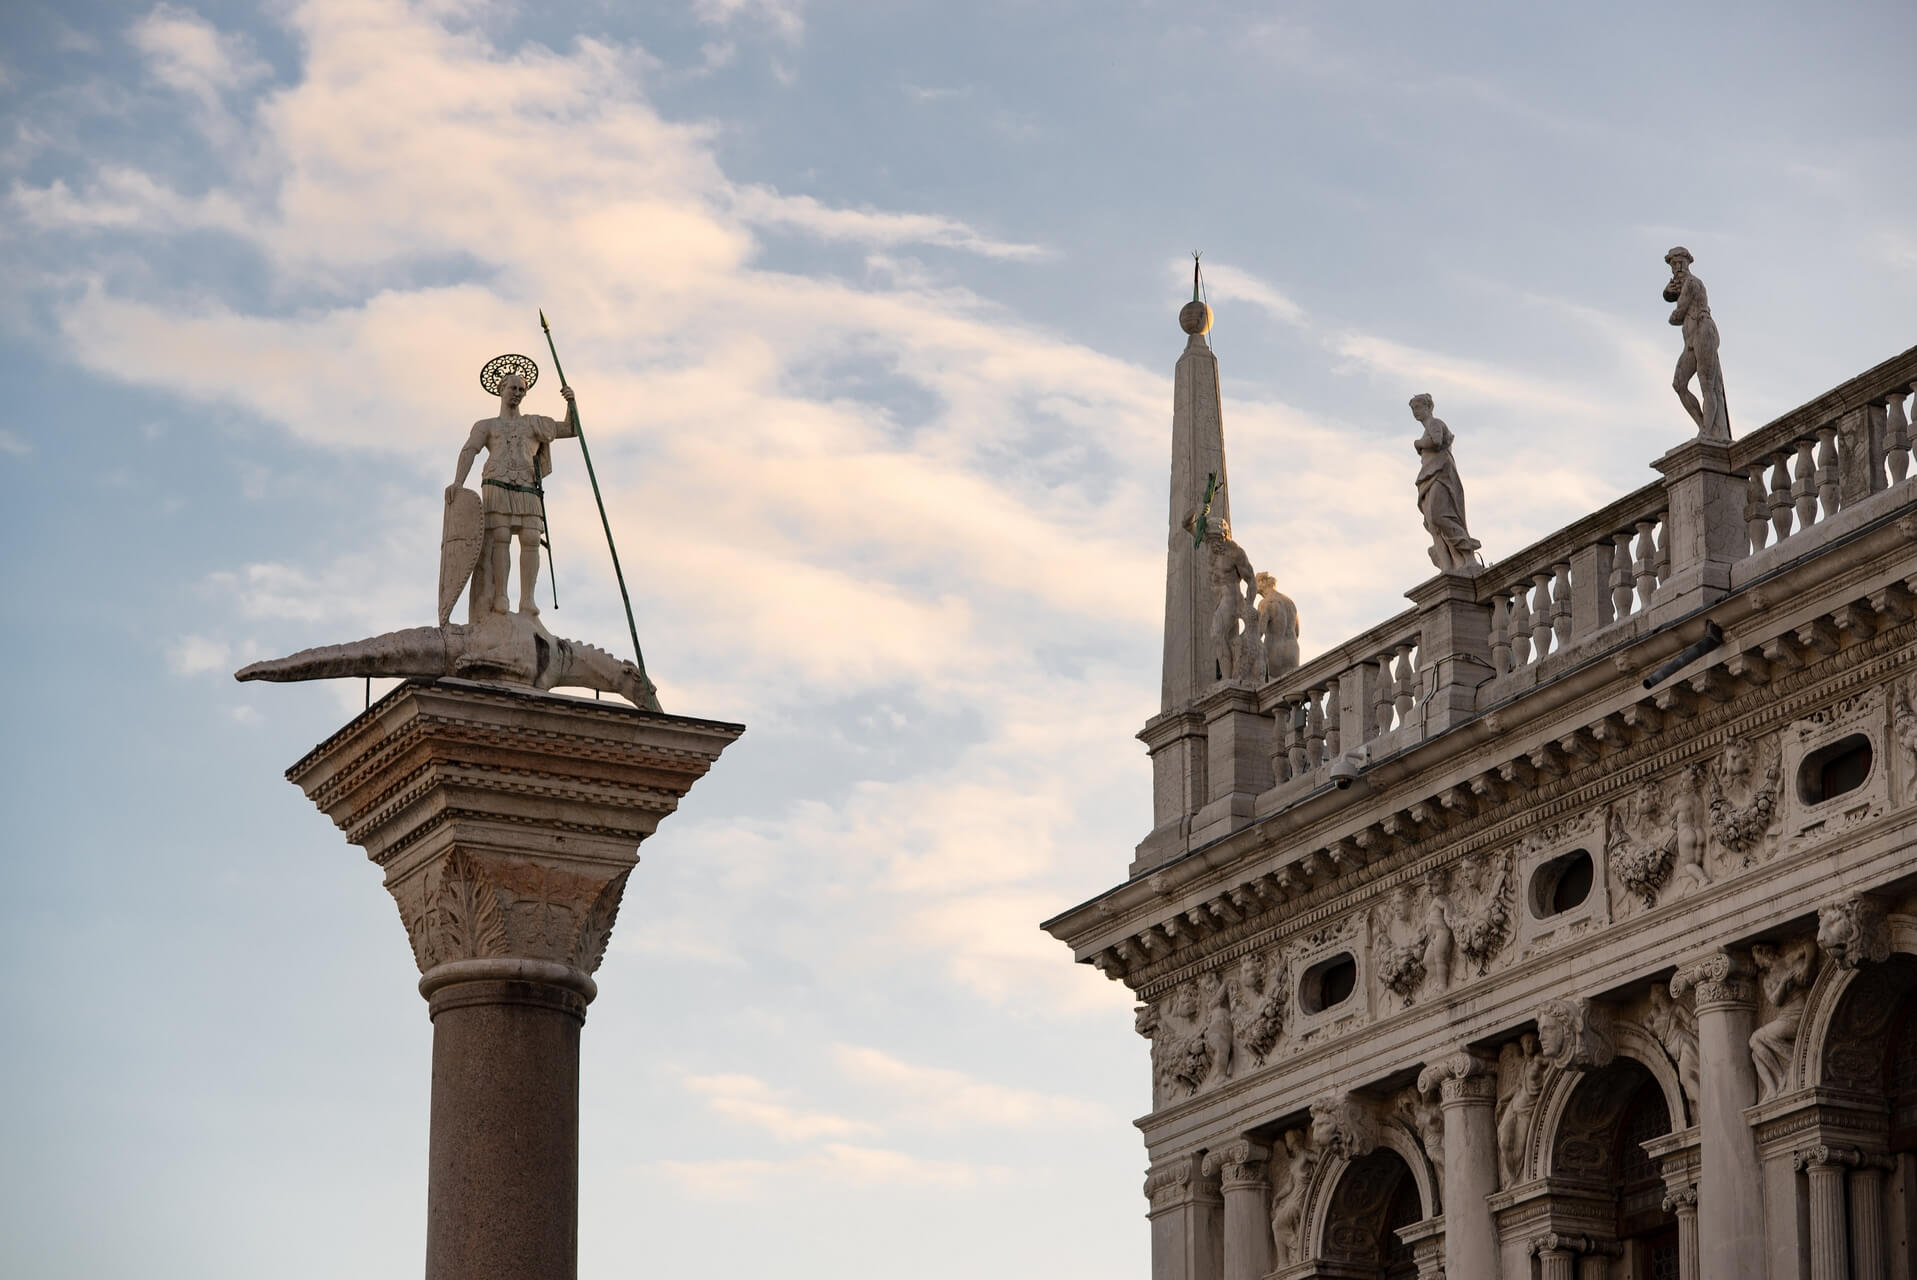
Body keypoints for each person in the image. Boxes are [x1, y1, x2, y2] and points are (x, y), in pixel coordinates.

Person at [451, 358, 577, 617]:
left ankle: (527, 601)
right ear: (501, 389)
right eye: (513, 388)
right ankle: (501, 597)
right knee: (501, 538)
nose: (517, 393)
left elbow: (571, 429)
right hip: (497, 482)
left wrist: (571, 403)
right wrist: (458, 482)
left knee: (531, 538)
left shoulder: (534, 423)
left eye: (522, 389)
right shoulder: (486, 425)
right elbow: (469, 450)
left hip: (528, 483)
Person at [1663, 246, 1731, 440]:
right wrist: (1669, 292)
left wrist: (1670, 296)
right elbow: (1674, 304)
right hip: (1691, 340)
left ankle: (1708, 432)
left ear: (1687, 262)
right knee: (1679, 384)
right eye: (1673, 264)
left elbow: (1678, 315)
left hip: (1703, 332)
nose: (1677, 267)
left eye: (1680, 263)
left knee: (1707, 384)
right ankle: (1703, 426)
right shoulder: (1683, 285)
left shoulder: (1692, 283)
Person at [1410, 393, 1482, 571]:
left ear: (1428, 408)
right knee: (1433, 524)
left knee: (1439, 515)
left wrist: (1418, 443)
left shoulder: (1435, 424)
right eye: (1413, 409)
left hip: (1441, 475)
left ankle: (1466, 553)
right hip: (1430, 476)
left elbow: (1436, 442)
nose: (1415, 412)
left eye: (1418, 407)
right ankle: (1449, 566)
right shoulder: (1428, 428)